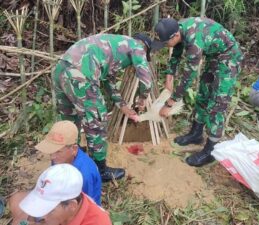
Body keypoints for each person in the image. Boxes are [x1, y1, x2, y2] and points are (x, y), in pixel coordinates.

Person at [54, 33, 153, 181]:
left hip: (61, 68)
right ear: (145, 48)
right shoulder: (137, 46)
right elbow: (146, 79)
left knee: (70, 116)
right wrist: (142, 98)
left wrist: (124, 106)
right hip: (81, 74)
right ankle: (99, 170)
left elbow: (108, 81)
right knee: (97, 121)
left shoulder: (114, 45)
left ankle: (72, 153)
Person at [152, 17, 243, 167]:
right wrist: (170, 76)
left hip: (229, 58)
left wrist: (170, 103)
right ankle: (196, 134)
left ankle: (210, 151)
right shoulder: (178, 29)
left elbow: (188, 77)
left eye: (165, 43)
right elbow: (175, 53)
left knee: (217, 105)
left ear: (175, 36)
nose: (164, 46)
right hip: (214, 56)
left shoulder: (194, 42)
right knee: (203, 94)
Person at [9, 164, 112, 225]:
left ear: (71, 206)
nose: (42, 216)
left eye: (49, 210)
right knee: (16, 200)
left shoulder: (98, 222)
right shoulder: (71, 195)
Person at [35, 120, 102, 205]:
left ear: (74, 149)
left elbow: (86, 205)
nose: (52, 156)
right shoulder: (60, 158)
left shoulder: (84, 174)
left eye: (58, 151)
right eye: (51, 150)